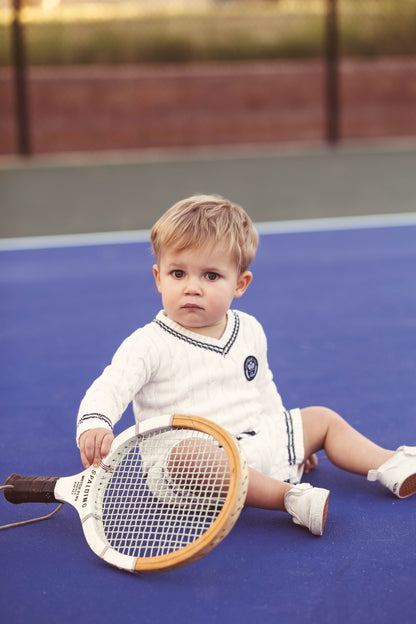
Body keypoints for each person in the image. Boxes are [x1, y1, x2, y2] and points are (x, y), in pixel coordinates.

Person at [76, 194, 416, 536]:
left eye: (210, 276)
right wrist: (95, 422)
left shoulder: (249, 328)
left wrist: (288, 441)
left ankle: (389, 463)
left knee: (323, 420)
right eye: (178, 273)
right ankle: (290, 498)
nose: (192, 288)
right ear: (158, 278)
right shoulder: (147, 344)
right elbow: (111, 386)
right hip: (194, 467)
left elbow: (262, 386)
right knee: (189, 456)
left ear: (240, 284)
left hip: (256, 439)